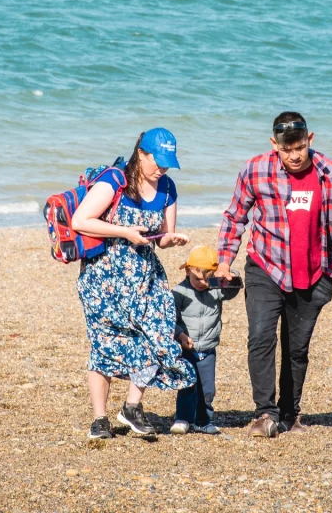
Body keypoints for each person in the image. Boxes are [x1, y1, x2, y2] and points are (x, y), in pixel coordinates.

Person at [215, 112, 332, 438]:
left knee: (297, 348)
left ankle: (290, 413)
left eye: (300, 147)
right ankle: (265, 413)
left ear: (311, 140)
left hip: (313, 272)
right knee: (261, 337)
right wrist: (224, 261)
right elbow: (236, 217)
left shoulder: (331, 173)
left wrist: (331, 271)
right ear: (274, 144)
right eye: (287, 149)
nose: (294, 156)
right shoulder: (255, 169)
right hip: (266, 266)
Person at [71, 127, 195, 439]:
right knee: (105, 343)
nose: (162, 168)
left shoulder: (168, 188)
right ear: (141, 153)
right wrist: (125, 232)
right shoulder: (116, 180)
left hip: (144, 276)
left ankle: (131, 407)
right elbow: (81, 221)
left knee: (157, 334)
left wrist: (172, 240)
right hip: (104, 277)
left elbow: (162, 237)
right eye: (158, 160)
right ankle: (100, 419)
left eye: (168, 162)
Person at [169, 245, 241, 436]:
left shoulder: (215, 289)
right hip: (187, 348)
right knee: (187, 385)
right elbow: (170, 320)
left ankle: (203, 420)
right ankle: (183, 418)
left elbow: (234, 288)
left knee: (207, 389)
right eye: (197, 278)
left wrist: (228, 274)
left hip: (208, 349)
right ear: (187, 271)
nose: (202, 283)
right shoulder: (179, 292)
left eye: (206, 279)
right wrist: (180, 335)